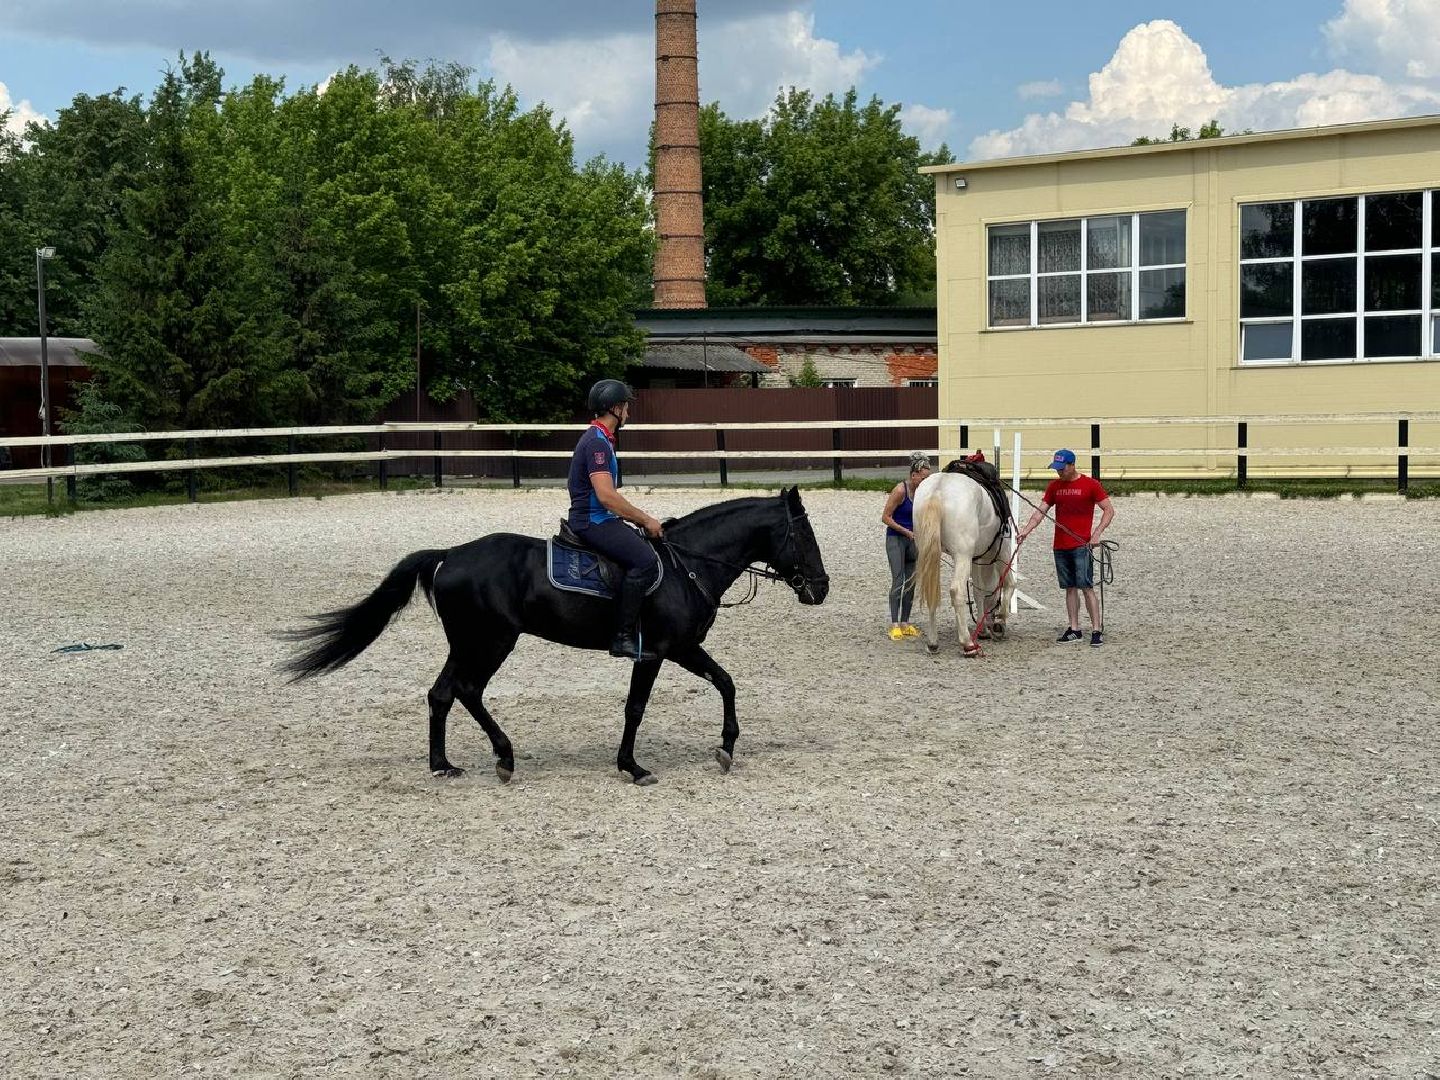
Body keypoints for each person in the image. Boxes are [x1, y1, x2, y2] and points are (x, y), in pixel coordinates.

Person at [568, 379, 665, 661]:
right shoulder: (597, 443)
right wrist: (645, 519)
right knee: (645, 561)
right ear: (614, 408)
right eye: (625, 406)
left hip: (599, 516)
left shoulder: (601, 439)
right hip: (592, 520)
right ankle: (622, 637)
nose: (628, 413)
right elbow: (606, 496)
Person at [1018, 448, 1115, 647]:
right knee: (1069, 588)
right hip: (1060, 546)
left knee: (1086, 587)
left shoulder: (1090, 485)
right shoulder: (1054, 487)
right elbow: (1040, 512)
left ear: (1072, 465)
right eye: (1057, 469)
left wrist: (1096, 533)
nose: (1059, 472)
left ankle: (1096, 629)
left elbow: (1109, 510)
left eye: (1062, 468)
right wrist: (1026, 531)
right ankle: (1074, 628)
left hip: (1082, 545)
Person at [880, 451, 932, 640]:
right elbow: (885, 517)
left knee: (911, 582)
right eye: (924, 478)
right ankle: (894, 624)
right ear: (914, 475)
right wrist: (906, 532)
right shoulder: (900, 491)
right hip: (896, 539)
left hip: (914, 541)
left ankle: (905, 621)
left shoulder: (924, 494)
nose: (926, 482)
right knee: (898, 580)